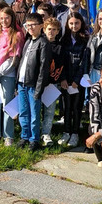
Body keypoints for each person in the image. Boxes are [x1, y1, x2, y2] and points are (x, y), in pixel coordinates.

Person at [0, 7, 24, 146]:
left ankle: (8, 136)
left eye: (6, 18)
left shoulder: (17, 34)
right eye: (1, 18)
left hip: (7, 75)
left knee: (7, 106)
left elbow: (12, 59)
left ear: (12, 18)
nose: (3, 21)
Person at [17, 12, 51, 151]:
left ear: (41, 26)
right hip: (21, 83)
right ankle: (25, 135)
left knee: (34, 114)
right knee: (23, 112)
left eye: (33, 25)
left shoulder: (43, 43)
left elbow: (44, 69)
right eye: (27, 25)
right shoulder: (28, 41)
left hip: (33, 85)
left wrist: (39, 88)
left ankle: (34, 139)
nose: (30, 28)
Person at [59, 11, 89, 148]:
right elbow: (61, 61)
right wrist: (63, 78)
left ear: (81, 23)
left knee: (77, 107)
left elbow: (84, 62)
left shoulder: (85, 40)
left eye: (76, 23)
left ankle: (75, 133)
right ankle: (66, 131)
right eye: (71, 23)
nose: (74, 26)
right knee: (66, 107)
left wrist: (77, 80)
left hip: (79, 81)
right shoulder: (63, 40)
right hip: (66, 79)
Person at [42, 17, 67, 146]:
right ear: (44, 29)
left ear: (58, 31)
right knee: (35, 109)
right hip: (38, 83)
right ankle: (34, 133)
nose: (51, 32)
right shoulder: (39, 43)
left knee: (50, 111)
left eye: (54, 30)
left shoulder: (60, 47)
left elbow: (62, 65)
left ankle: (46, 133)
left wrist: (62, 79)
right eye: (49, 29)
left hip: (52, 84)